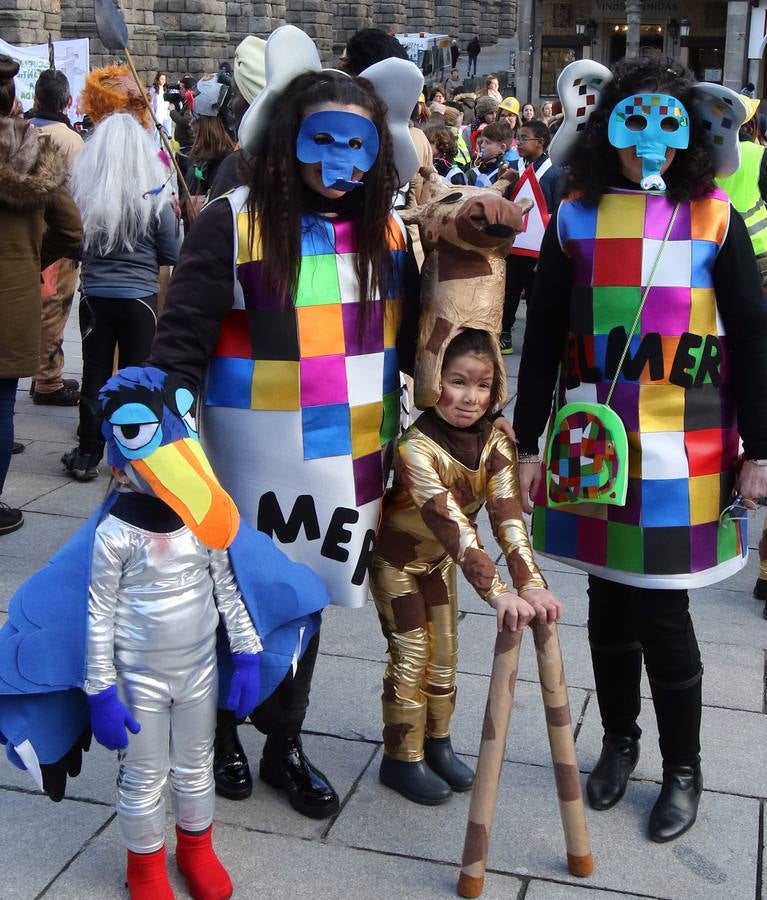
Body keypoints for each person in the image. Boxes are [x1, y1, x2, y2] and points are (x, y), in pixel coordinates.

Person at [148, 25, 424, 820]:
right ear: (285, 137)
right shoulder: (232, 221)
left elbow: (395, 344)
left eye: (356, 144)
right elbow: (180, 346)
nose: (337, 162)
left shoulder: (387, 231)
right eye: (322, 139)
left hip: (350, 462)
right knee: (236, 602)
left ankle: (283, 742)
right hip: (250, 459)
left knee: (305, 605)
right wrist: (161, 444)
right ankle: (224, 728)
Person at [513, 56, 767, 843]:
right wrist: (524, 442)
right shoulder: (575, 213)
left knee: (664, 609)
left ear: (685, 130)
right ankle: (618, 740)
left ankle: (683, 765)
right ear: (607, 123)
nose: (647, 137)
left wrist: (759, 448)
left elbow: (753, 333)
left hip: (685, 445)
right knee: (607, 600)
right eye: (633, 117)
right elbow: (545, 333)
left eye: (665, 119)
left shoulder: (713, 215)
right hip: (596, 439)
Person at [372, 328, 561, 804]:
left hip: (438, 565)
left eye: (482, 385)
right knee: (412, 655)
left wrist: (530, 582)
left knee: (447, 659)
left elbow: (506, 515)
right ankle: (401, 757)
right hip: (397, 562)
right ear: (434, 381)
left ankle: (436, 744)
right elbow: (452, 524)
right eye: (457, 382)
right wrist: (498, 591)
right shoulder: (415, 447)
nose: (469, 398)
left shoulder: (496, 444)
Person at [61, 66, 181, 483]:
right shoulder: (156, 194)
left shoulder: (87, 193)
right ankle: (134, 457)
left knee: (93, 374)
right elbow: (170, 251)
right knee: (135, 378)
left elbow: (74, 244)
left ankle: (86, 453)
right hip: (140, 299)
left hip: (96, 296)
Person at [0, 55, 82, 536]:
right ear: (14, 100)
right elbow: (71, 229)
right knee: (1, 407)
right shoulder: (33, 153)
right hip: (11, 299)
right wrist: (32, 254)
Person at [25, 67, 84, 407]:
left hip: (23, 237)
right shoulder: (71, 140)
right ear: (68, 101)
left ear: (36, 98)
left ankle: (41, 371)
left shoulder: (22, 132)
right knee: (53, 308)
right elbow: (78, 193)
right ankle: (47, 380)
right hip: (58, 239)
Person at [500, 119, 562, 355]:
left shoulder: (554, 174)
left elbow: (557, 210)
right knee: (509, 292)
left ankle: (536, 337)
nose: (519, 143)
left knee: (538, 295)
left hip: (541, 248)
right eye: (519, 138)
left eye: (524, 138)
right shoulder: (514, 170)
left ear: (541, 143)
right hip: (515, 245)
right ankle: (504, 333)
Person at [184, 74, 236, 221]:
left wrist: (205, 210)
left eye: (196, 119)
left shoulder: (227, 162)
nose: (190, 124)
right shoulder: (200, 157)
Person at [469, 121, 512, 186]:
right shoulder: (472, 173)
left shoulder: (508, 174)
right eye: (482, 141)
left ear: (502, 148)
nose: (482, 145)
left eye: (487, 142)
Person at [148, 72, 172, 144]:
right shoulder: (153, 90)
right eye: (161, 79)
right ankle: (157, 152)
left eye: (164, 79)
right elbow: (151, 104)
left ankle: (167, 153)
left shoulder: (166, 90)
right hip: (157, 115)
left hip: (166, 115)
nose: (163, 81)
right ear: (158, 79)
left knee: (168, 135)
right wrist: (153, 116)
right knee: (157, 136)